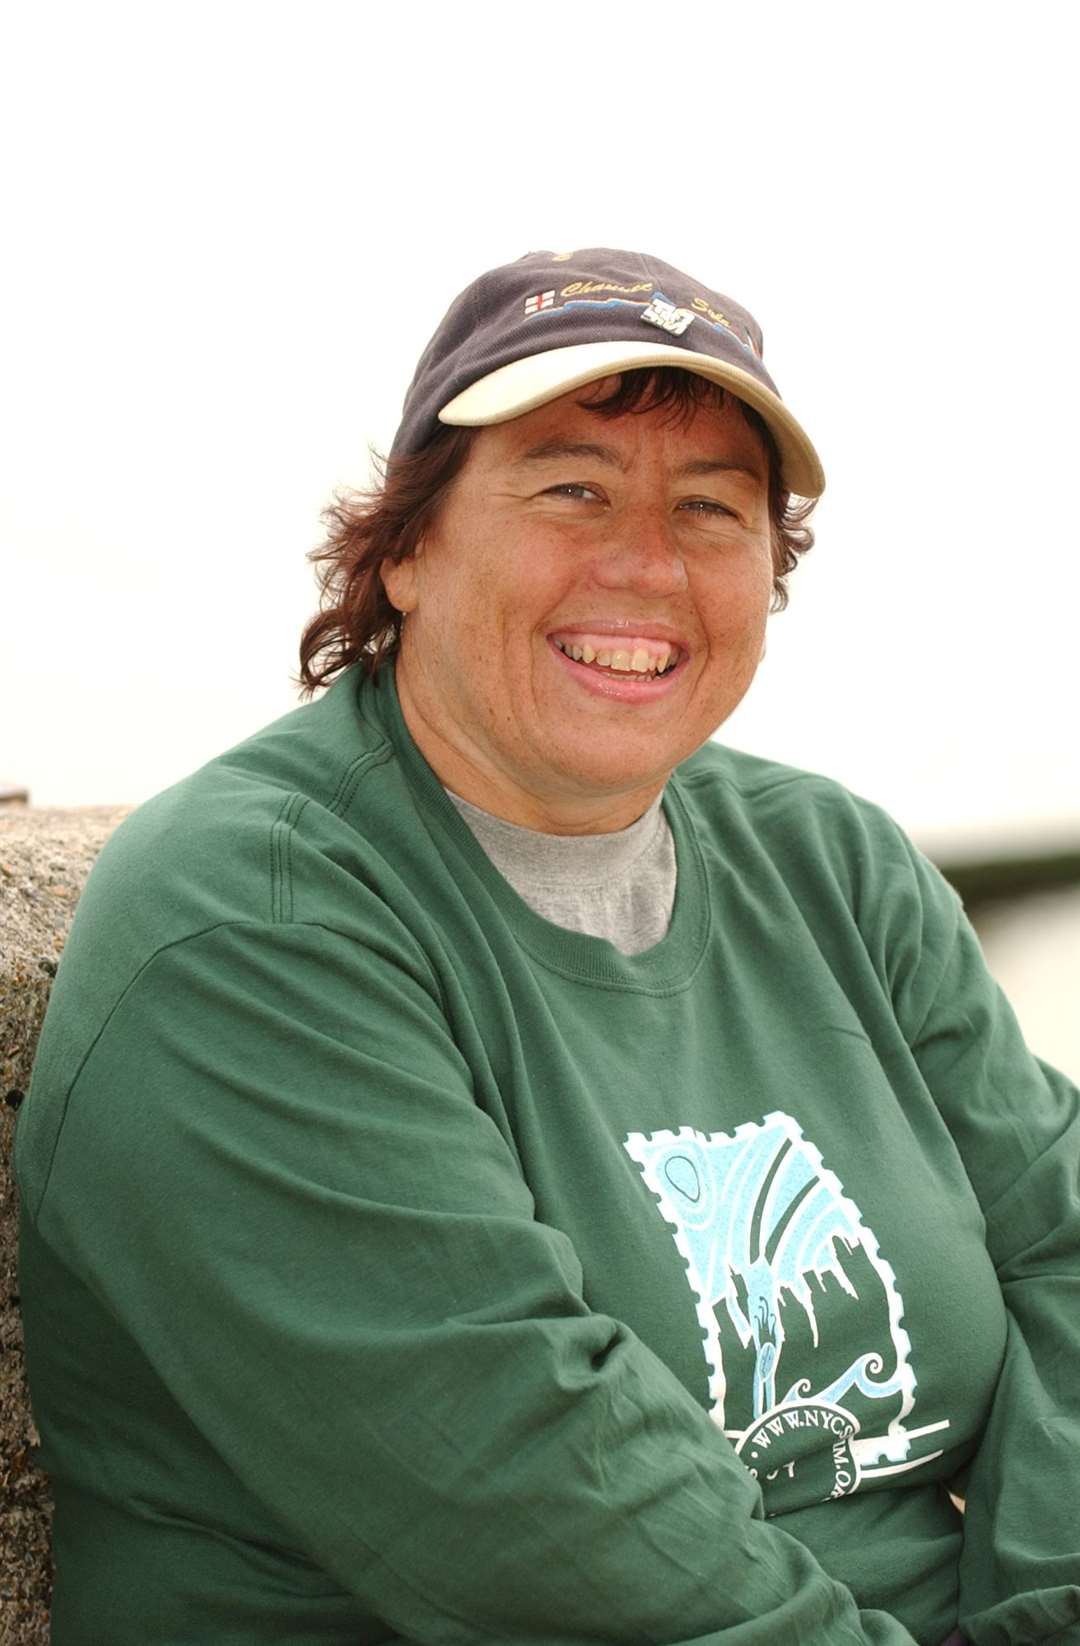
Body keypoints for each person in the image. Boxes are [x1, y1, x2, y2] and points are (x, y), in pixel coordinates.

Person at [16, 249, 1080, 1646]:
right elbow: (534, 1497)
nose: (645, 560)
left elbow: (1063, 1250)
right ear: (404, 546)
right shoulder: (251, 918)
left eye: (712, 508)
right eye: (572, 486)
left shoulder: (833, 860)